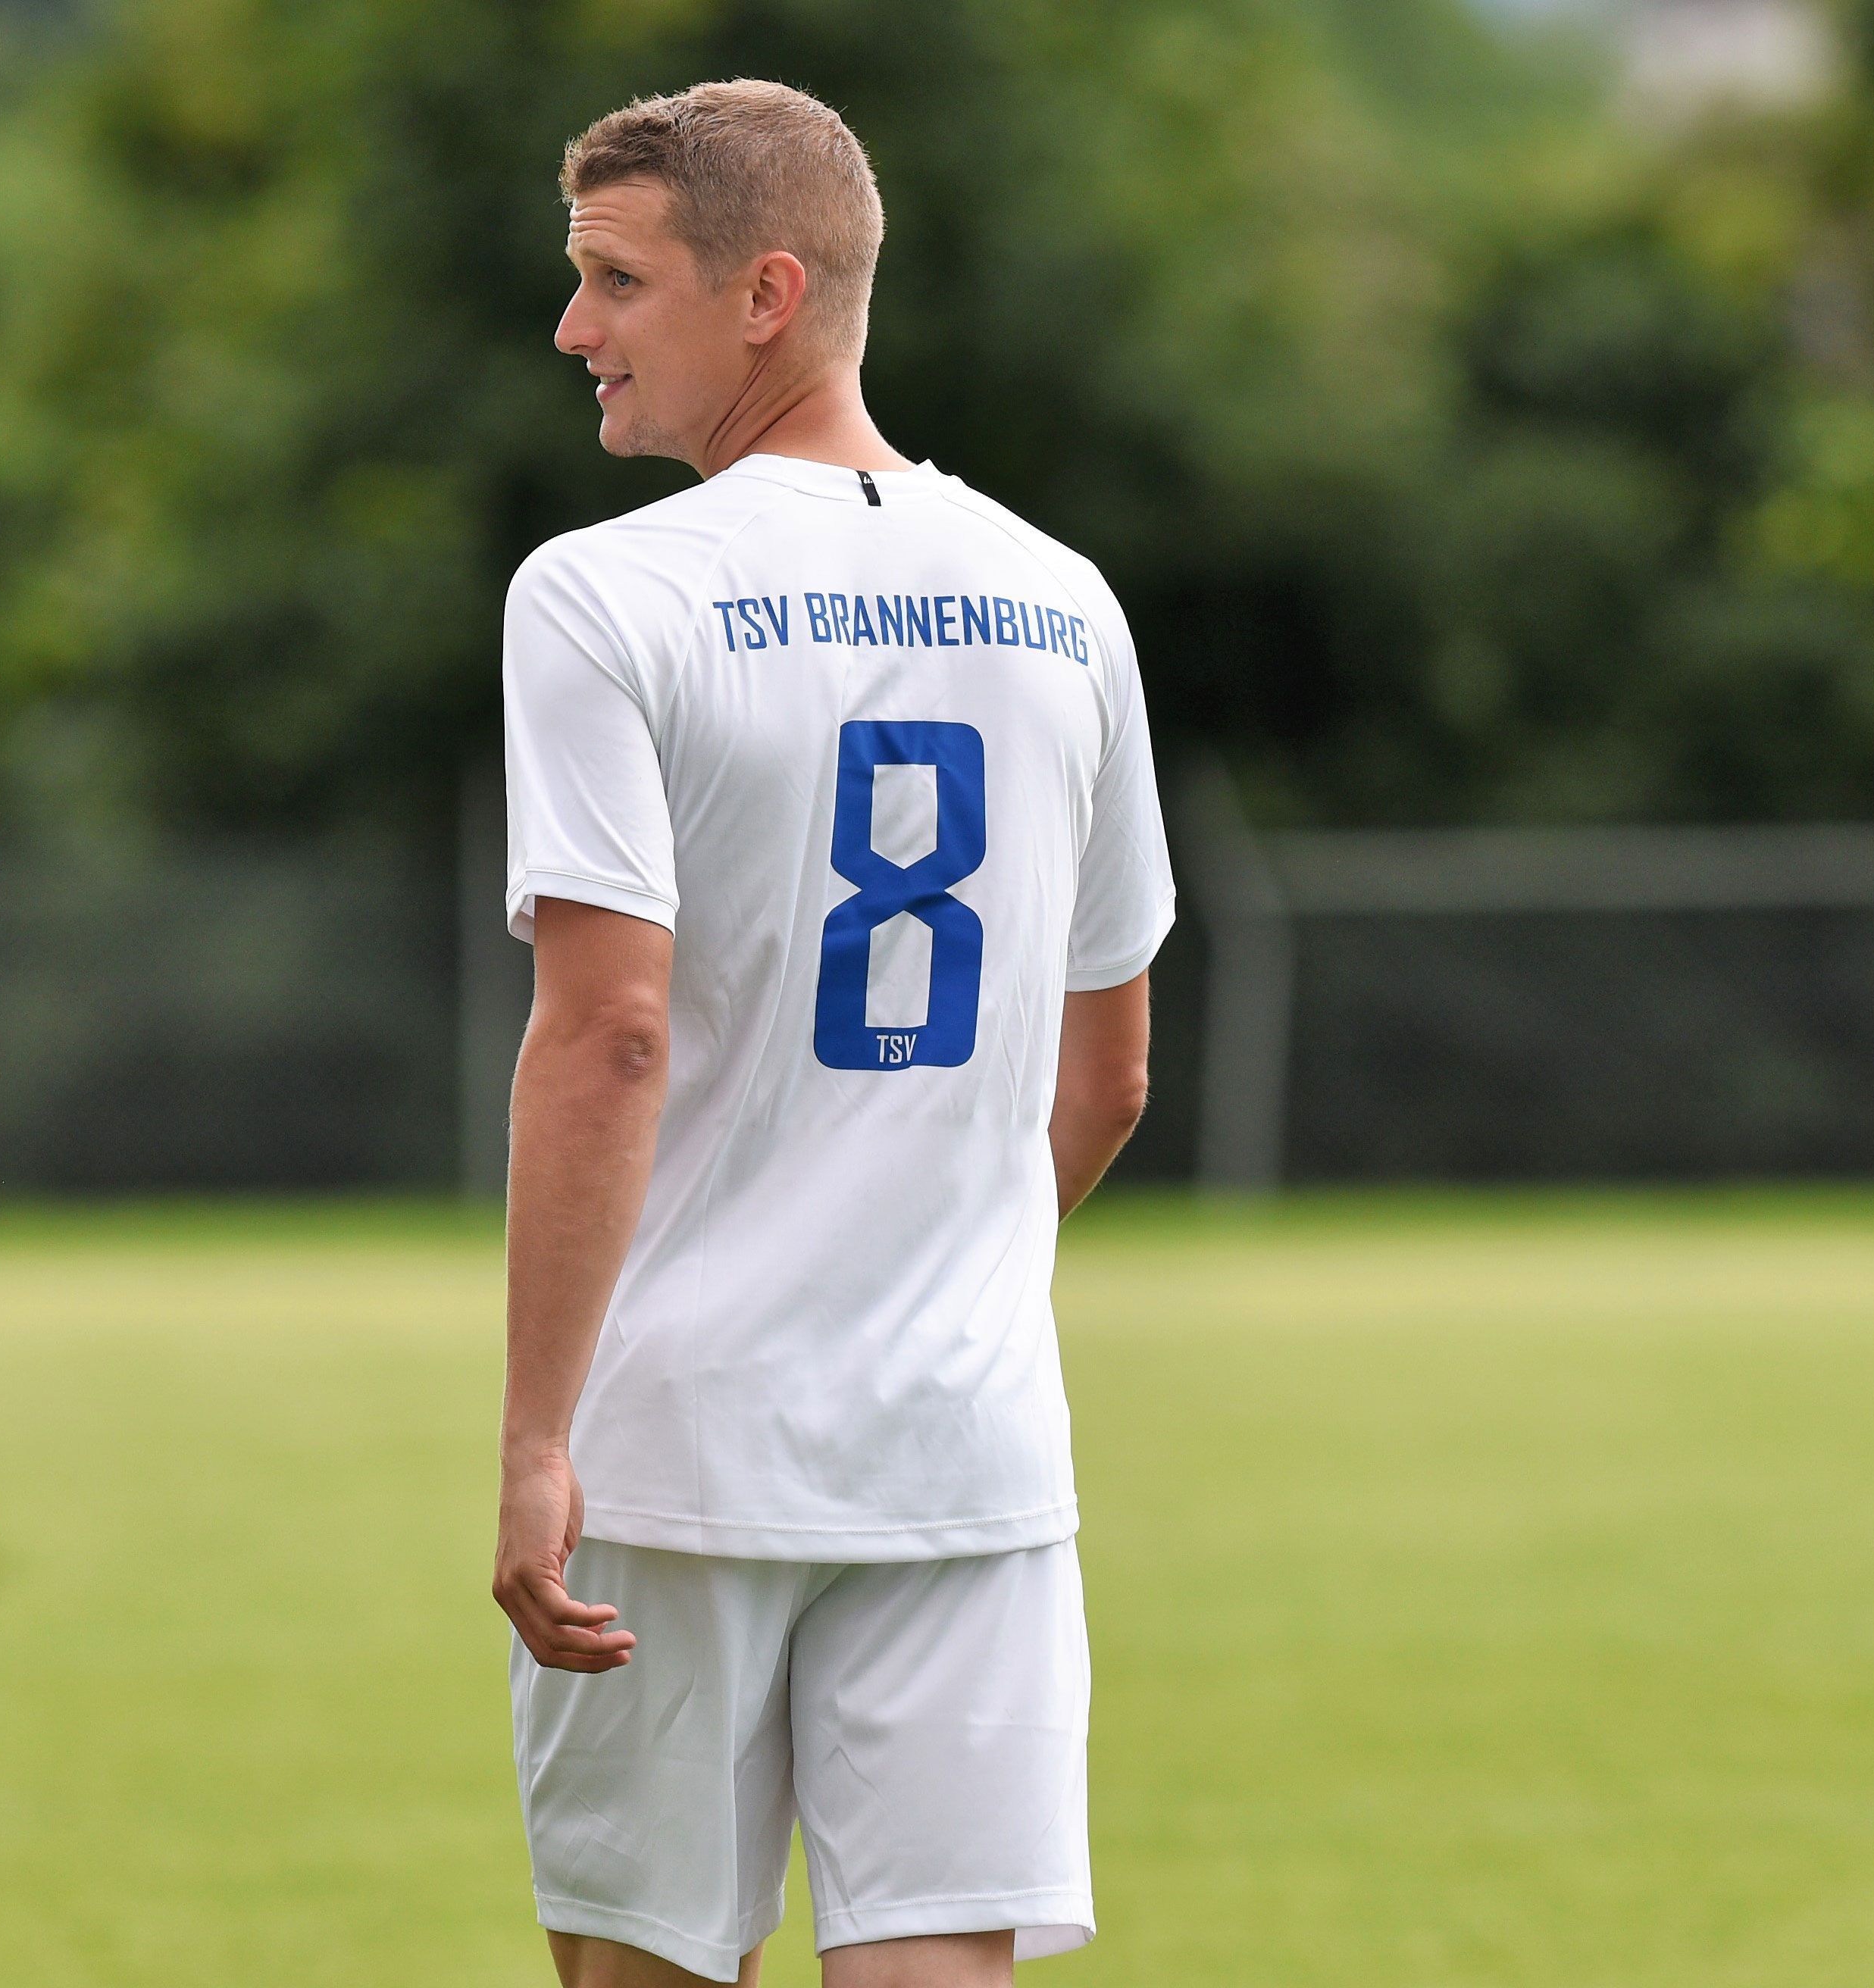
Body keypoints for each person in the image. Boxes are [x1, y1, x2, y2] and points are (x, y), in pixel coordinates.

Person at [490, 80, 1173, 1988]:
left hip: (677, 1441)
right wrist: (930, 1276)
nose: (573, 330)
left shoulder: (602, 593)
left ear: (765, 292)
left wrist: (539, 1431)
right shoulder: (1063, 601)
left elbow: (606, 1036)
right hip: (966, 1443)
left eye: (615, 281)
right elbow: (1106, 1069)